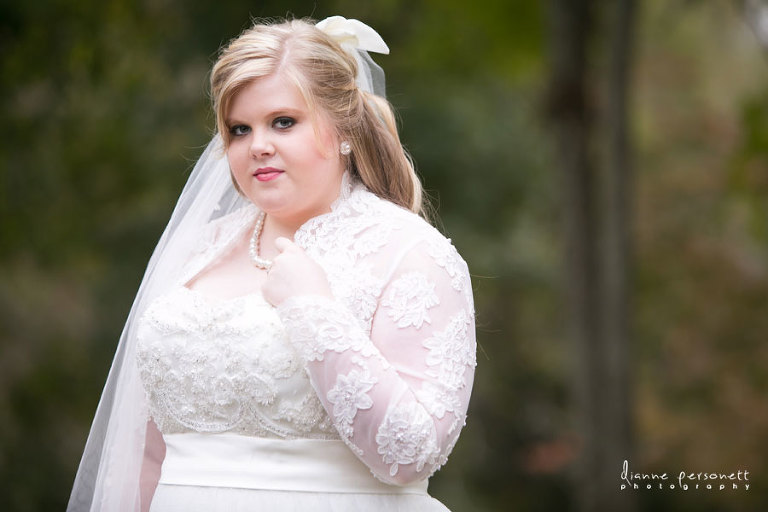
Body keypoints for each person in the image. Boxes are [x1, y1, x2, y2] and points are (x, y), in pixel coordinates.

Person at [68, 16, 476, 512]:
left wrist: (312, 310)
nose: (257, 144)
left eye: (283, 121)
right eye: (240, 129)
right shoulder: (198, 251)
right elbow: (145, 455)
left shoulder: (411, 254)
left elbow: (410, 453)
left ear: (344, 127)